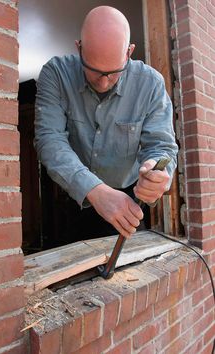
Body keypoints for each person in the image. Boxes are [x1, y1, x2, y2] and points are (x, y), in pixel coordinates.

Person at [34, 6, 178, 244]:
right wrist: (95, 190)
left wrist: (157, 170)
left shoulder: (151, 84)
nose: (103, 81)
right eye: (93, 70)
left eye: (113, 72)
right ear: (78, 47)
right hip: (74, 197)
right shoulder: (56, 74)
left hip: (128, 199)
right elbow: (49, 139)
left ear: (129, 53)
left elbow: (162, 146)